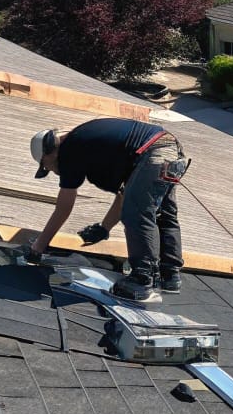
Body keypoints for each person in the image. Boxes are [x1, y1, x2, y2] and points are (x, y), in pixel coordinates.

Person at [24, 118, 189, 302]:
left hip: (153, 153)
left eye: (45, 166)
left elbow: (63, 207)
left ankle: (142, 279)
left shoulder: (71, 149)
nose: (51, 171)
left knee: (138, 215)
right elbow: (126, 195)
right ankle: (170, 276)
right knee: (163, 215)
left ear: (50, 153)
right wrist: (104, 228)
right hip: (169, 150)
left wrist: (38, 247)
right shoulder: (90, 144)